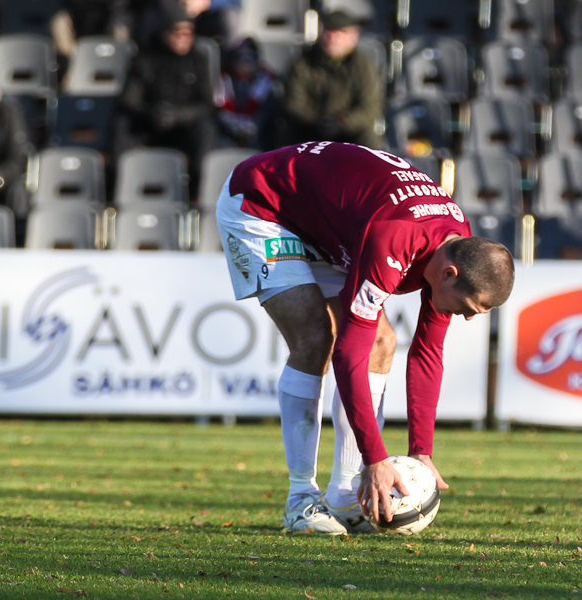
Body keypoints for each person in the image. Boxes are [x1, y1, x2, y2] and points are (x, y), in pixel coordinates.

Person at [215, 142, 515, 534]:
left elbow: (427, 353)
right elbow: (347, 354)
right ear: (449, 275)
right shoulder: (395, 239)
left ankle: (343, 494)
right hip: (263, 204)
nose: (470, 317)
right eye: (471, 307)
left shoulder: (455, 245)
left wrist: (420, 451)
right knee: (315, 336)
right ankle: (300, 499)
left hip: (325, 223)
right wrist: (376, 458)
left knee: (380, 343)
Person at [116, 4, 216, 198]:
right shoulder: (145, 58)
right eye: (177, 33)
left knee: (206, 129)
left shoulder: (198, 59)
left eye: (188, 34)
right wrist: (152, 113)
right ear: (164, 33)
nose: (183, 39)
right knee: (122, 126)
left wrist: (180, 115)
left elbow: (206, 104)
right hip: (150, 122)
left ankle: (198, 193)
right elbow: (128, 100)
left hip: (183, 125)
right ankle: (118, 189)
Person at [283, 10, 383, 149]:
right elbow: (293, 104)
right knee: (286, 131)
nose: (333, 38)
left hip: (348, 131)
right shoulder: (303, 63)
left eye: (341, 32)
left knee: (368, 135)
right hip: (310, 129)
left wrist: (343, 122)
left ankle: (370, 170)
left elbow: (370, 108)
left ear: (354, 36)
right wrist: (316, 122)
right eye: (328, 31)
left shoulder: (363, 66)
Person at [0, 66, 30, 243]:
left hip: (0, 181)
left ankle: (17, 240)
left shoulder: (9, 112)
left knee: (17, 190)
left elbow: (17, 160)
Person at [216, 38, 276, 150]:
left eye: (250, 60)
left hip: (257, 136)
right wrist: (234, 127)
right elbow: (219, 111)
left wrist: (251, 128)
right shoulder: (223, 82)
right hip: (227, 135)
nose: (245, 66)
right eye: (240, 60)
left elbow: (266, 114)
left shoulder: (266, 84)